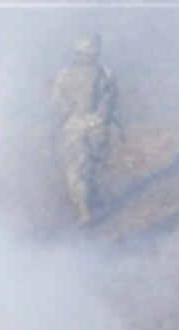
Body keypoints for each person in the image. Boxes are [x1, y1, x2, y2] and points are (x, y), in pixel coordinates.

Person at [52, 35, 120, 224]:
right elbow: (58, 99)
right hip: (73, 125)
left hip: (97, 124)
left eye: (92, 54)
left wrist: (101, 116)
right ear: (78, 55)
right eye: (85, 54)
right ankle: (83, 210)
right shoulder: (64, 75)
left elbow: (110, 97)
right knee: (76, 167)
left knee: (94, 163)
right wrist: (71, 116)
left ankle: (92, 198)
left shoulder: (106, 73)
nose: (89, 58)